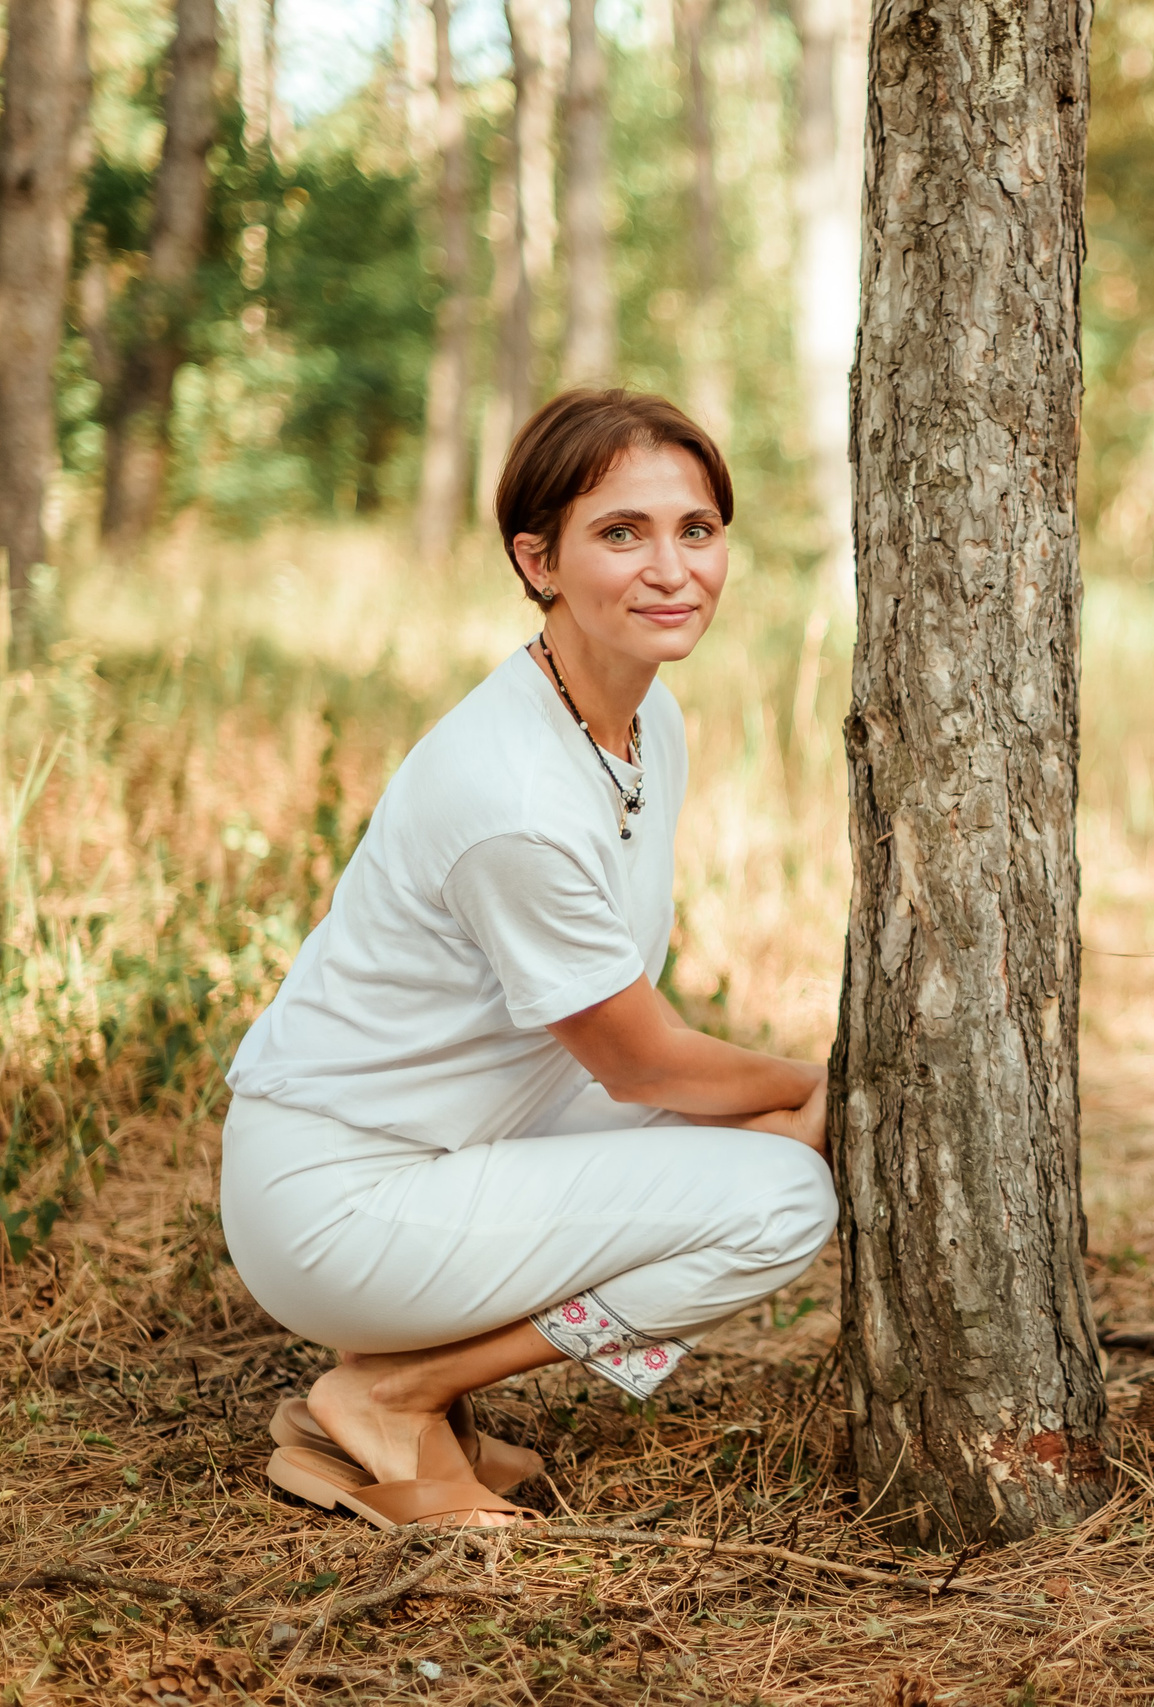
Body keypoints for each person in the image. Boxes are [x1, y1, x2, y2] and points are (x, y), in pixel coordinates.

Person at [219, 390, 837, 1530]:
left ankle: (390, 1404)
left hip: (458, 1145)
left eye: (695, 530)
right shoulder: (508, 791)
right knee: (781, 1198)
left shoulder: (649, 721)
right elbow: (642, 1066)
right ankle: (393, 1394)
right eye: (621, 534)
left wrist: (781, 1103)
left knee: (760, 1144)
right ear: (538, 559)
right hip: (341, 1203)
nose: (671, 569)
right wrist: (819, 1091)